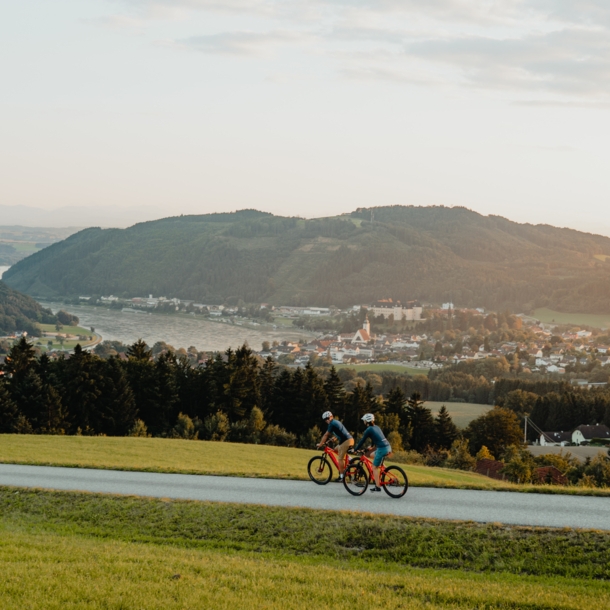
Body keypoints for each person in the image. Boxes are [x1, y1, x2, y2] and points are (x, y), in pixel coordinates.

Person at [353, 413, 392, 493]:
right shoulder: (376, 427)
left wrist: (355, 449)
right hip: (387, 447)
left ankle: (377, 486)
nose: (363, 421)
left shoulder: (368, 429)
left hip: (382, 449)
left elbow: (362, 441)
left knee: (374, 467)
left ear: (367, 421)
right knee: (371, 455)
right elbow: (376, 438)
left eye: (364, 420)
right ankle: (385, 470)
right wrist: (371, 446)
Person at [317, 411, 354, 481]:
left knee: (340, 459)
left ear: (331, 417)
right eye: (325, 419)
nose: (327, 420)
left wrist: (321, 444)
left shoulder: (332, 424)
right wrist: (333, 439)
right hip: (349, 440)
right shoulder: (336, 422)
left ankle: (342, 476)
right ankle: (349, 459)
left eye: (327, 418)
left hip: (346, 441)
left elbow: (326, 435)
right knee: (335, 450)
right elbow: (340, 432)